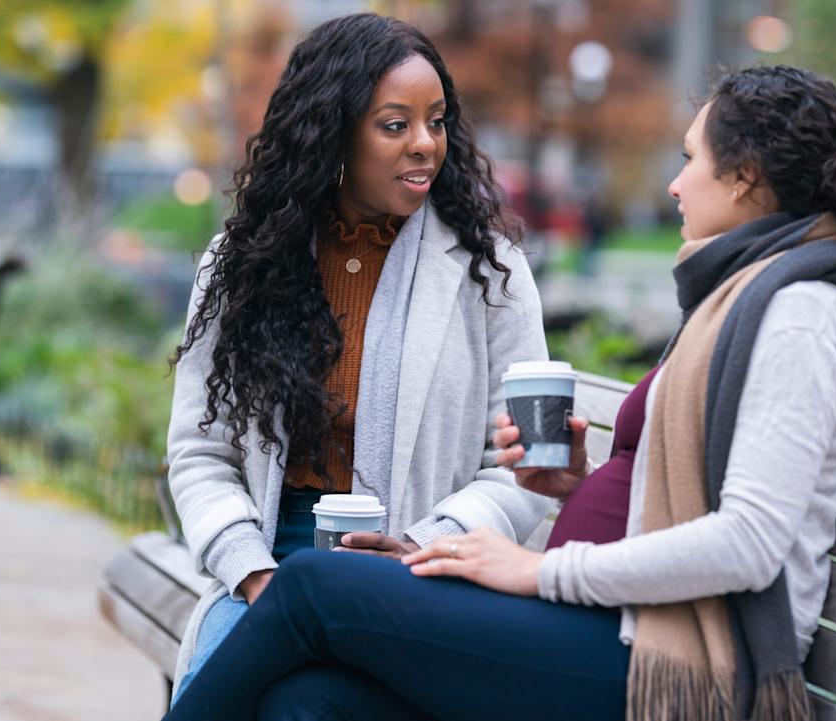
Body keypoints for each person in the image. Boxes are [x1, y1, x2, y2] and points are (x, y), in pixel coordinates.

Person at [165, 65, 836, 721]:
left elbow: (749, 543)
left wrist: (535, 569)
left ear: (746, 174)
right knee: (308, 702)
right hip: (620, 631)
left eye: (691, 159)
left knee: (315, 588)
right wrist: (575, 486)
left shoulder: (801, 317)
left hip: (675, 667)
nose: (675, 182)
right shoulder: (752, 298)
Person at [163, 12, 553, 706]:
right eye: (395, 124)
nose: (425, 144)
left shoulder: (488, 272)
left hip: (414, 576)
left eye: (437, 121)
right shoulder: (244, 265)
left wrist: (427, 546)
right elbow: (200, 454)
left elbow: (520, 471)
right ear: (334, 133)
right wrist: (251, 572)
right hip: (271, 559)